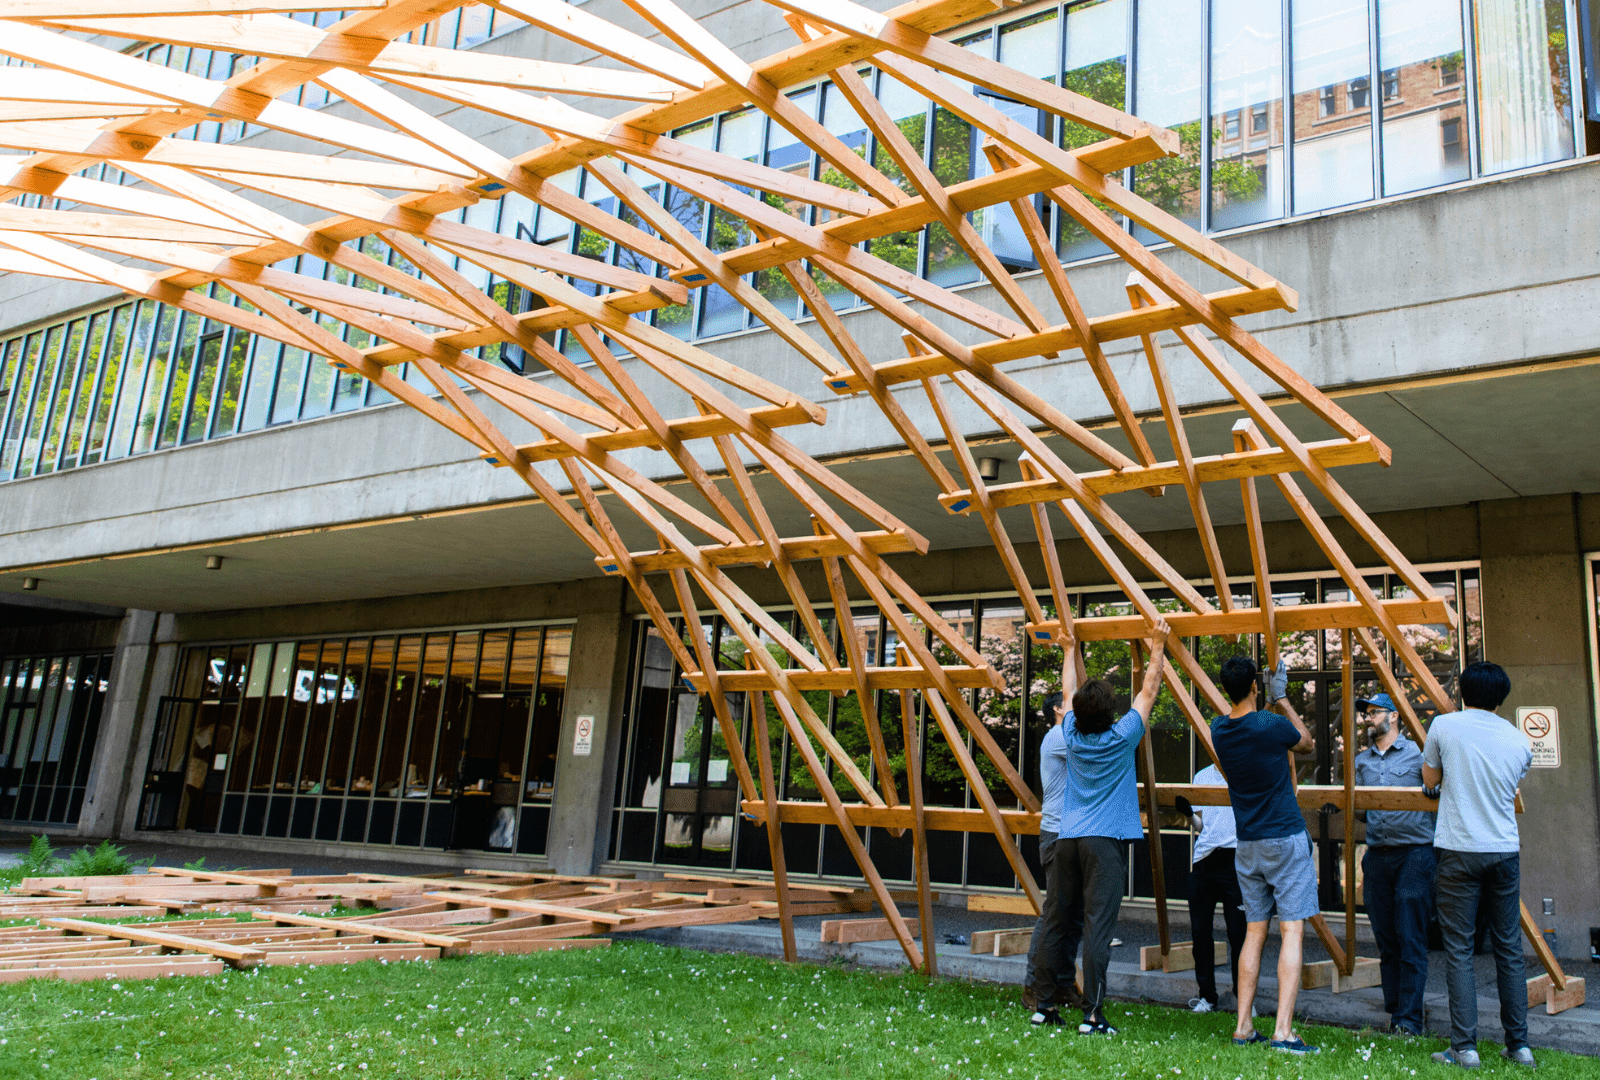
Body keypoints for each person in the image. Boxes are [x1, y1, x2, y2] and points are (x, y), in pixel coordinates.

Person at [1055, 616, 1171, 1037]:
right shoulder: (1121, 738)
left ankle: (1046, 1005)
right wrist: (1157, 643)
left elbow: (1069, 692)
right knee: (1097, 929)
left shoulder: (1071, 734)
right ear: (1109, 713)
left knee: (1061, 919)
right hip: (1102, 842)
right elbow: (1149, 689)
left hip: (1068, 838)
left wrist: (1070, 649)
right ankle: (1093, 1014)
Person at [1423, 661, 1535, 1069]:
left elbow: (1430, 779)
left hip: (1458, 849)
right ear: (1501, 699)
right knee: (1508, 948)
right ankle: (1519, 1047)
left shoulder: (1444, 726)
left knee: (1459, 948)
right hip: (1505, 850)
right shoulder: (1520, 741)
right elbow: (1513, 784)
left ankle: (1464, 1048)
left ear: (1461, 691)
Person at [1210, 654, 1320, 1055]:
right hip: (1285, 838)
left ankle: (1243, 1027)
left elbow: (1250, 728)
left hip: (1248, 843)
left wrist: (1264, 700)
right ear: (1257, 686)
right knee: (1291, 929)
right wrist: (1283, 698)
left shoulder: (1219, 729)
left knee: (1254, 933)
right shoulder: (1272, 724)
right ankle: (1283, 1032)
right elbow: (1306, 743)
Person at [1350, 692, 1434, 1037]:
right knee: (1386, 938)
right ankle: (1396, 1012)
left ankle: (1411, 1021)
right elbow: (1358, 812)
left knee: (1409, 935)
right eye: (1366, 714)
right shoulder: (1362, 762)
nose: (1368, 718)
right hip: (1377, 856)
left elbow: (1437, 787)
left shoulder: (1419, 753)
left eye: (1373, 713)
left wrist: (1434, 787)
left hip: (1413, 853)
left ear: (1394, 716)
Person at [1025, 634, 1087, 1026]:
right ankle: (1036, 987)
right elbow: (1073, 693)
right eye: (1072, 704)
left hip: (1072, 834)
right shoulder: (1058, 737)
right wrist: (1068, 652)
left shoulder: (1069, 736)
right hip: (1058, 835)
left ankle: (1062, 982)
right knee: (1055, 914)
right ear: (1059, 711)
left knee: (1073, 914)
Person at [1181, 762, 1246, 1014]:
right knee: (1200, 933)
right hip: (1204, 859)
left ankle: (1243, 997)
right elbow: (1201, 826)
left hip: (1236, 859)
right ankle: (1207, 997)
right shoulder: (1202, 776)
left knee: (1238, 934)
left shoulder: (1243, 769)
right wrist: (1188, 814)